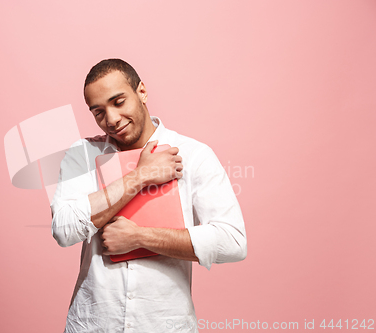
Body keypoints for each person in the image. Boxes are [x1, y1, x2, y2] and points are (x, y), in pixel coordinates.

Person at [50, 59, 247, 332]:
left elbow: (233, 241)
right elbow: (63, 229)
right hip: (93, 325)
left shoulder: (193, 154)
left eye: (118, 102)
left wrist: (139, 237)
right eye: (98, 112)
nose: (111, 119)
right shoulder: (81, 155)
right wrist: (140, 176)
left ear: (141, 91)